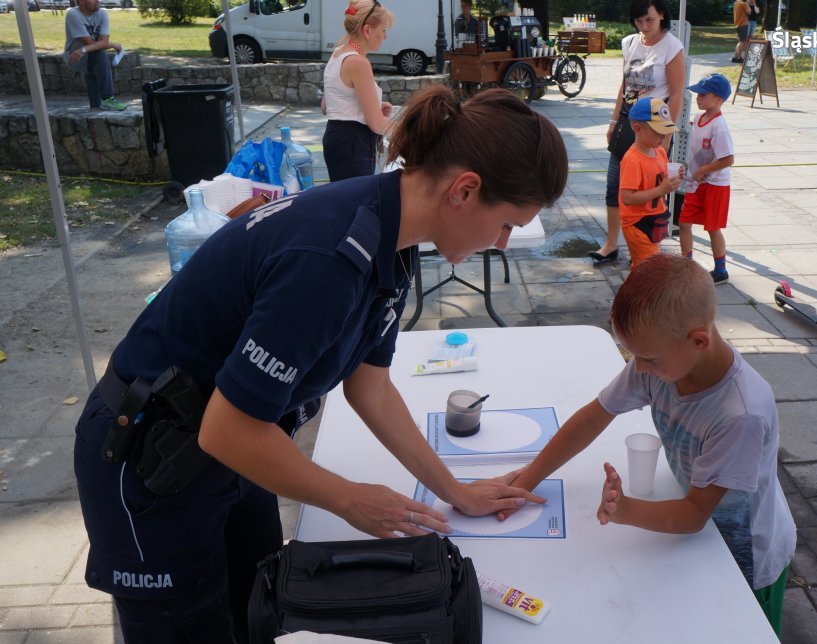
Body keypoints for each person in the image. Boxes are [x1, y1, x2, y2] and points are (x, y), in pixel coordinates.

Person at [73, 85, 568, 643]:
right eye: (507, 223)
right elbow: (227, 430)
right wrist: (349, 499)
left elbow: (370, 389)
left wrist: (456, 491)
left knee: (258, 613)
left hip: (233, 448)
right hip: (149, 458)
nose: (501, 243)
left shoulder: (395, 234)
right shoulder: (328, 260)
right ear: (465, 190)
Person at [499, 254, 796, 636]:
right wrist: (528, 480)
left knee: (741, 630)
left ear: (698, 341)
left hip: (747, 553)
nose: (638, 368)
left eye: (648, 359)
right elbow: (594, 417)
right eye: (634, 355)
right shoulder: (661, 362)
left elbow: (694, 515)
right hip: (701, 533)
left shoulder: (741, 414)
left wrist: (626, 510)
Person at [592, 0, 685, 265]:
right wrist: (613, 122)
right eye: (639, 20)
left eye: (649, 20)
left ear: (662, 15)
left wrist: (666, 137)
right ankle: (611, 244)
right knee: (614, 185)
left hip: (654, 126)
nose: (644, 26)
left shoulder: (672, 47)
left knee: (651, 187)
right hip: (627, 122)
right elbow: (625, 86)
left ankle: (649, 243)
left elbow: (676, 94)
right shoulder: (630, 43)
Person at [322, 0, 395, 182]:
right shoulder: (358, 62)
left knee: (344, 196)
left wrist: (372, 106)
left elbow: (327, 106)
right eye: (383, 30)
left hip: (338, 139)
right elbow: (377, 123)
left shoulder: (338, 53)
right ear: (368, 30)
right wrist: (413, 130)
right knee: (355, 198)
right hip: (353, 144)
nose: (385, 37)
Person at [678, 74, 735, 284]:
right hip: (695, 183)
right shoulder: (698, 118)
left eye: (703, 95)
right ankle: (686, 267)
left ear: (718, 99)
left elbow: (728, 159)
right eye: (698, 94)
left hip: (715, 185)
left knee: (712, 228)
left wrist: (704, 170)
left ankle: (720, 270)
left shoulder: (719, 126)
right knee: (684, 223)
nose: (698, 98)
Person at [618, 97, 680, 267]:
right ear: (638, 129)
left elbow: (660, 180)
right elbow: (627, 198)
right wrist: (661, 190)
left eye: (665, 131)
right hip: (637, 223)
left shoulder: (659, 152)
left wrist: (674, 179)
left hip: (655, 218)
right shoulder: (632, 160)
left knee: (645, 267)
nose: (663, 136)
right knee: (648, 269)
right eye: (658, 132)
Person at [63, 0, 125, 111]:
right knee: (99, 54)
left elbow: (103, 42)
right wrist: (114, 45)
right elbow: (91, 43)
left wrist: (84, 49)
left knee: (96, 60)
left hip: (86, 53)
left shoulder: (102, 13)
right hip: (75, 57)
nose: (97, 0)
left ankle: (95, 108)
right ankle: (107, 97)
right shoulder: (73, 14)